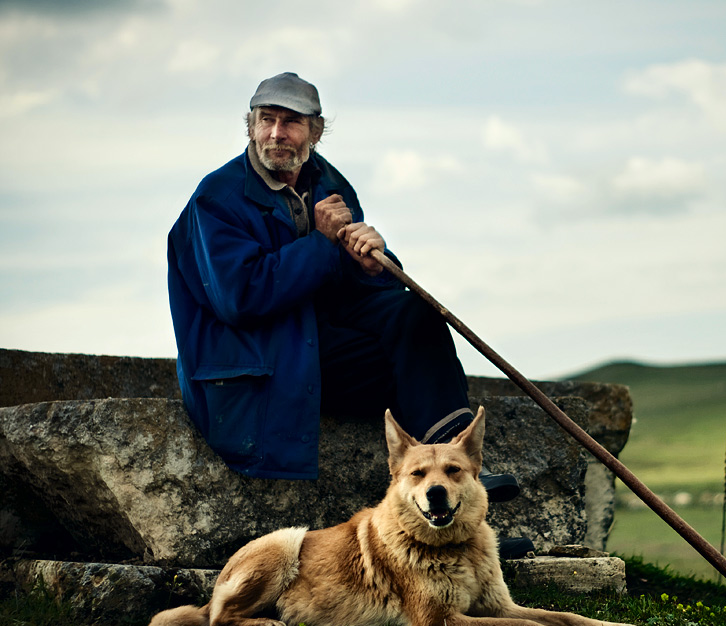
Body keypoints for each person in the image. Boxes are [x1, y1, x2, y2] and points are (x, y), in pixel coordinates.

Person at [167, 72, 520, 507]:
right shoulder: (217, 199)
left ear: (315, 131)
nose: (276, 133)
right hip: (255, 365)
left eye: (290, 122)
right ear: (251, 125)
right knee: (411, 370)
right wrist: (319, 243)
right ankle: (440, 504)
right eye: (266, 120)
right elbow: (240, 297)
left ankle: (454, 470)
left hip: (315, 346)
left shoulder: (330, 184)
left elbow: (350, 291)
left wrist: (371, 266)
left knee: (416, 317)